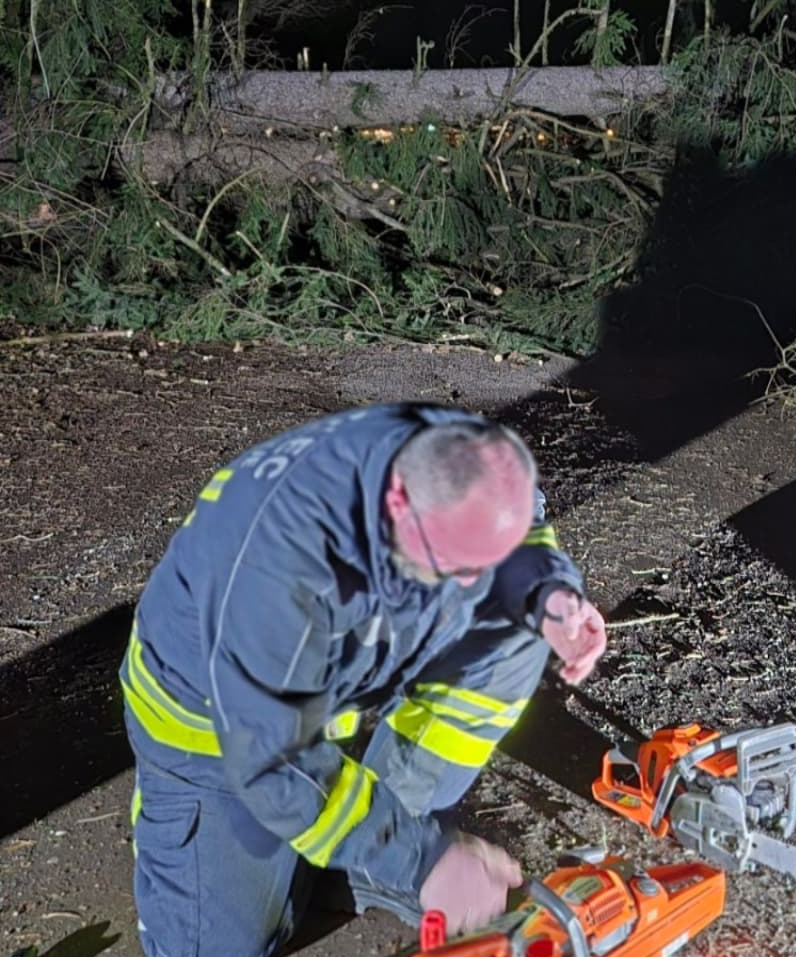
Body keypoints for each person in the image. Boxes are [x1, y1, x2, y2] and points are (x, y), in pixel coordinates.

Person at [118, 403, 607, 957]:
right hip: (221, 739)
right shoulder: (272, 576)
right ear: (399, 504)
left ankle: (378, 841)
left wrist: (549, 594)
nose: (473, 585)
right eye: (456, 565)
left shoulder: (451, 458)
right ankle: (372, 847)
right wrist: (424, 859)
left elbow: (519, 532)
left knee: (514, 626)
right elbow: (272, 760)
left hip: (322, 684)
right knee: (226, 946)